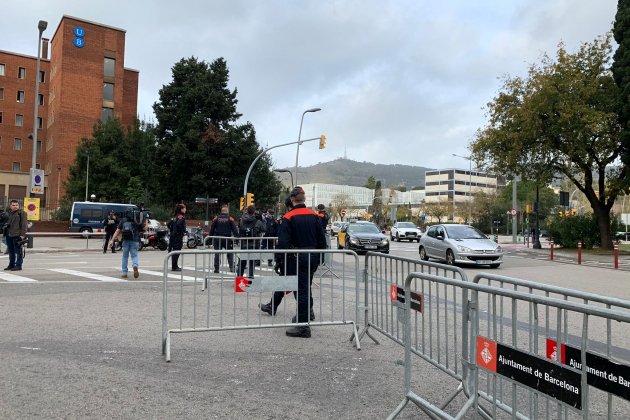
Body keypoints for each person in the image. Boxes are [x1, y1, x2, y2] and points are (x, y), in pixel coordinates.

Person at [276, 186, 327, 338]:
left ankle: (303, 326)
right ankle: (303, 317)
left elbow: (283, 243)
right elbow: (321, 240)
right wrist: (319, 258)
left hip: (297, 257)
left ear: (292, 199)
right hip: (312, 256)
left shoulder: (288, 217)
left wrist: (279, 261)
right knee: (305, 288)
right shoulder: (314, 216)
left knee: (302, 290)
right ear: (304, 199)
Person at [109, 208, 145, 279]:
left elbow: (117, 231)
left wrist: (112, 240)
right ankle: (135, 265)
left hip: (125, 241)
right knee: (134, 256)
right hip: (135, 240)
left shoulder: (123, 220)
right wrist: (146, 220)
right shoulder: (136, 220)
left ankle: (124, 273)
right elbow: (144, 228)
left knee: (125, 257)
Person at [237, 205, 265, 278]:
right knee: (251, 262)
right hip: (254, 244)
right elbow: (264, 229)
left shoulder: (242, 220)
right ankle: (250, 279)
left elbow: (240, 229)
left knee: (242, 262)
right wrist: (263, 220)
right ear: (254, 212)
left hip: (244, 244)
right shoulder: (257, 221)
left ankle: (239, 278)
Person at [209, 204, 239, 273]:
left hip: (217, 238)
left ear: (221, 211)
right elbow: (234, 229)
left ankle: (216, 268)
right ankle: (231, 268)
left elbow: (212, 229)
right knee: (230, 253)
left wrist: (209, 238)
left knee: (217, 253)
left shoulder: (216, 218)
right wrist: (237, 238)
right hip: (227, 239)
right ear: (227, 211)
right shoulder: (230, 219)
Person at [3, 200, 28, 271]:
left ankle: (18, 265)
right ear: (10, 206)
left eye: (16, 205)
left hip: (17, 235)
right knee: (11, 251)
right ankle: (11, 265)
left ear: (18, 206)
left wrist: (22, 235)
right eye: (13, 205)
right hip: (8, 234)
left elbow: (24, 225)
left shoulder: (22, 213)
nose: (15, 206)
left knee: (18, 251)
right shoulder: (9, 213)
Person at [169, 204, 187, 271]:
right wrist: (183, 231)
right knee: (177, 251)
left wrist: (172, 230)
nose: (185, 210)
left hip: (173, 235)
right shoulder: (181, 217)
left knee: (174, 250)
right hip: (177, 236)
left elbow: (168, 224)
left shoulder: (174, 216)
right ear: (181, 209)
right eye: (185, 208)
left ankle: (175, 265)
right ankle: (174, 266)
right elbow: (179, 224)